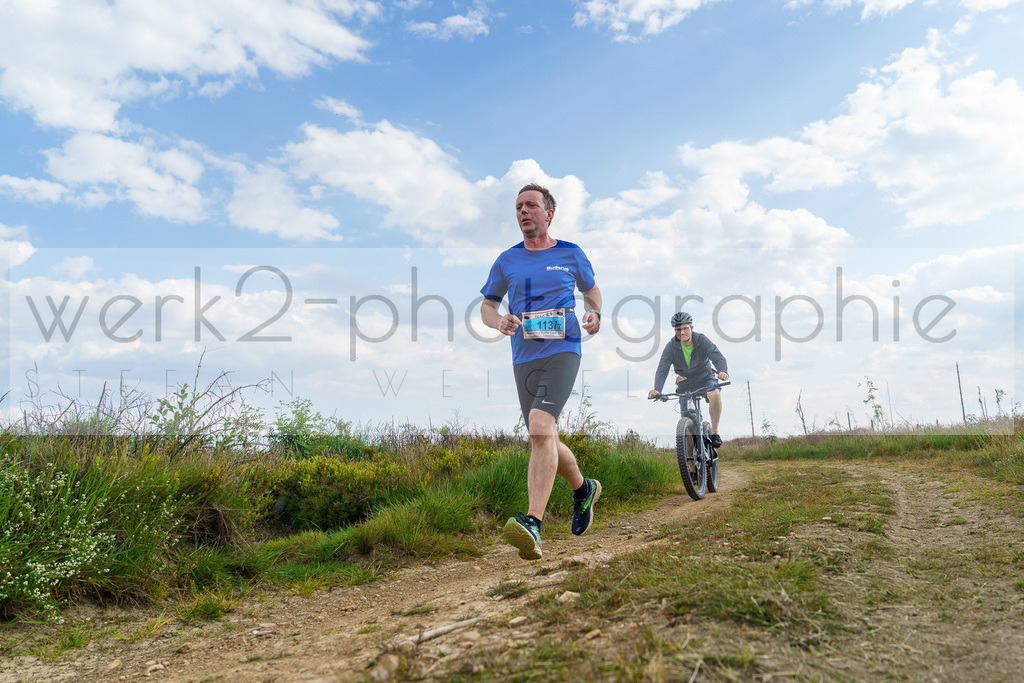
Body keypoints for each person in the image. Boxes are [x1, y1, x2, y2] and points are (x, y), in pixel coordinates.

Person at [480, 183, 603, 561]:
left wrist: (594, 314)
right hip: (524, 356)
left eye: (531, 205)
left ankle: (533, 522)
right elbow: (488, 305)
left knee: (539, 424)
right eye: (518, 206)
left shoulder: (571, 253)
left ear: (548, 214)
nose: (523, 211)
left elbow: (592, 292)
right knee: (542, 434)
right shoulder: (507, 260)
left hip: (563, 349)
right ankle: (583, 489)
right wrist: (498, 321)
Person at [648, 311, 730, 449]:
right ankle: (690, 467)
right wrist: (657, 389)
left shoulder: (701, 340)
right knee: (686, 429)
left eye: (685, 328)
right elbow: (663, 368)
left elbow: (717, 356)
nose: (682, 333)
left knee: (715, 394)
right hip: (685, 383)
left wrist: (723, 371)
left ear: (691, 328)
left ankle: (714, 432)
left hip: (705, 378)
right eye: (678, 330)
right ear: (675, 331)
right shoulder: (671, 347)